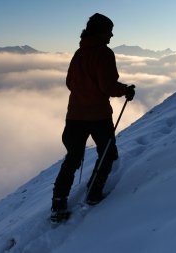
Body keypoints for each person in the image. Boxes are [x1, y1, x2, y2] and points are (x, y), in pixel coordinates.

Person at [51, 13, 135, 219]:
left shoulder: (79, 54)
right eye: (109, 31)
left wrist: (84, 92)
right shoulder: (104, 53)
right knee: (107, 153)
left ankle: (58, 204)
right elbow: (107, 86)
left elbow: (70, 83)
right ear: (100, 31)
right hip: (98, 116)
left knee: (72, 158)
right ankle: (94, 192)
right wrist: (126, 90)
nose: (111, 35)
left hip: (75, 116)